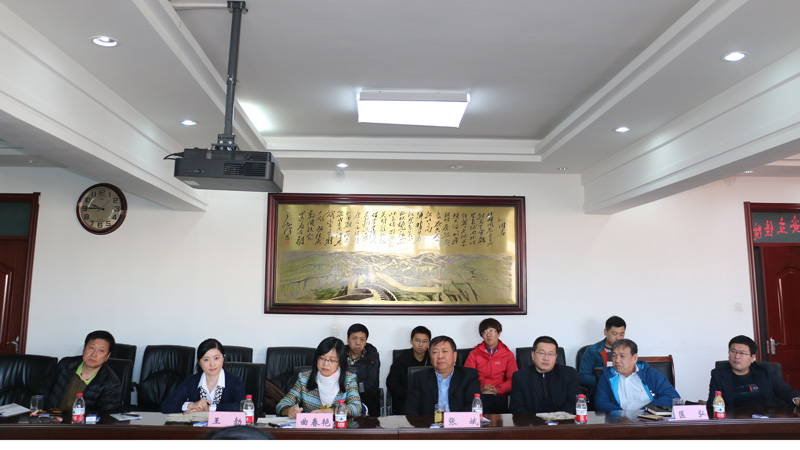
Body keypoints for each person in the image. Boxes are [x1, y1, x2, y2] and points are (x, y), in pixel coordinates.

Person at [276, 336, 363, 418]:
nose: (325, 364)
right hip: (312, 427)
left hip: (339, 426)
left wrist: (333, 411)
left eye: (332, 360)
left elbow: (357, 408)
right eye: (322, 358)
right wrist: (288, 410)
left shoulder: (349, 379)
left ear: (340, 362)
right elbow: (282, 404)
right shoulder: (304, 378)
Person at [40, 330, 122, 413]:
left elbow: (105, 416)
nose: (94, 354)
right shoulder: (65, 365)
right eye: (91, 348)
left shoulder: (111, 384)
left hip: (82, 421)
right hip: (50, 418)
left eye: (100, 351)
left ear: (107, 356)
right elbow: (44, 391)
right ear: (84, 349)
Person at [707, 335, 800, 407]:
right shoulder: (718, 374)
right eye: (733, 351)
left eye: (742, 353)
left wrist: (796, 399)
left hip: (766, 418)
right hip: (735, 421)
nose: (736, 356)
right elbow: (713, 403)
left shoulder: (765, 371)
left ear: (752, 358)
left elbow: (784, 390)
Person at [161, 338, 246, 413]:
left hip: (225, 426)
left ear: (223, 357)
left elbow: (242, 407)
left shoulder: (235, 382)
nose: (212, 364)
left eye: (216, 358)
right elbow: (166, 406)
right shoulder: (191, 381)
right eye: (206, 360)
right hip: (196, 425)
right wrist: (192, 405)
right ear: (199, 362)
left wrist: (211, 408)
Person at [594, 339, 679, 411]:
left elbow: (672, 397)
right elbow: (600, 402)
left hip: (648, 419)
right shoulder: (607, 377)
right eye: (614, 355)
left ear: (634, 358)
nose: (617, 360)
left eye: (622, 356)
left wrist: (646, 411)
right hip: (620, 421)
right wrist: (621, 415)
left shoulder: (650, 374)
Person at [404, 336, 480, 415]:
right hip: (429, 422)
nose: (440, 356)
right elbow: (410, 409)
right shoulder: (420, 378)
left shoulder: (469, 376)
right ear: (430, 357)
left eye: (445, 351)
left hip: (458, 422)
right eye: (435, 352)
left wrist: (453, 420)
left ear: (455, 356)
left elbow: (473, 407)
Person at [510, 336, 581, 414]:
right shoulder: (520, 377)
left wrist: (557, 417)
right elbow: (517, 408)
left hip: (562, 419)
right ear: (533, 355)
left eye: (550, 354)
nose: (546, 358)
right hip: (532, 420)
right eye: (541, 353)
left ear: (556, 357)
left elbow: (574, 403)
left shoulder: (568, 373)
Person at [464, 318, 517, 413]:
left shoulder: (508, 354)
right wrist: (480, 389)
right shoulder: (474, 354)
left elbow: (512, 379)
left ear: (499, 333)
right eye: (485, 332)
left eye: (492, 331)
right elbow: (467, 378)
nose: (488, 335)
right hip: (478, 396)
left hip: (499, 396)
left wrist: (498, 390)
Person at [386, 325, 431, 415]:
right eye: (417, 340)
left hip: (428, 401)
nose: (420, 344)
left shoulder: (433, 360)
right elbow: (391, 383)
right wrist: (410, 395)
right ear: (411, 341)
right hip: (405, 401)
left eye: (424, 341)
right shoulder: (401, 360)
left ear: (429, 343)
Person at [579, 315, 626, 398]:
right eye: (614, 334)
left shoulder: (628, 351)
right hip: (601, 392)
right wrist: (606, 380)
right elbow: (583, 377)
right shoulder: (592, 351)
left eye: (621, 334)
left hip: (624, 392)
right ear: (605, 332)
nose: (618, 338)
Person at [344, 323, 380, 416]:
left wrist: (350, 387)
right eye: (354, 338)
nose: (358, 343)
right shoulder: (338, 356)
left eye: (362, 339)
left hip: (365, 400)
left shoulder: (372, 358)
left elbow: (372, 385)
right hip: (341, 399)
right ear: (348, 339)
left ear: (365, 341)